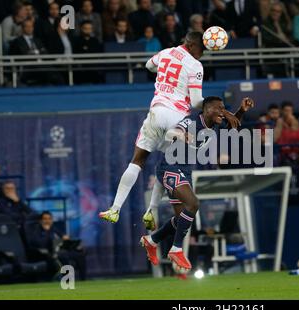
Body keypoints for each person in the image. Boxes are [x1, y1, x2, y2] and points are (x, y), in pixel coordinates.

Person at [98, 32, 239, 224]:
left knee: (137, 161)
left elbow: (149, 66)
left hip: (157, 112)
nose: (202, 54)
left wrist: (165, 75)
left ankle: (114, 209)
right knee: (166, 166)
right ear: (190, 44)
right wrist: (217, 109)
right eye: (201, 49)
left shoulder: (165, 53)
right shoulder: (195, 66)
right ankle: (151, 210)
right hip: (178, 119)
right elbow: (197, 101)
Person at [140, 96, 254, 271]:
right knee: (193, 204)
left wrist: (241, 111)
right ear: (207, 109)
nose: (222, 112)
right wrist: (181, 134)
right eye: (219, 108)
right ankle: (176, 250)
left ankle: (151, 240)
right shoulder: (192, 121)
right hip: (170, 167)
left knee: (182, 220)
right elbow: (171, 132)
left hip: (185, 170)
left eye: (224, 108)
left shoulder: (214, 125)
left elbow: (233, 126)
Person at [27, 211, 87, 280]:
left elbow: (63, 238)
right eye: (45, 219)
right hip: (47, 254)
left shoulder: (54, 229)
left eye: (49, 219)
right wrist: (47, 232)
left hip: (60, 250)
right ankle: (68, 280)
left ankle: (83, 279)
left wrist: (68, 240)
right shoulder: (36, 231)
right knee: (63, 255)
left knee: (80, 254)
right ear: (41, 221)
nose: (47, 221)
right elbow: (41, 244)